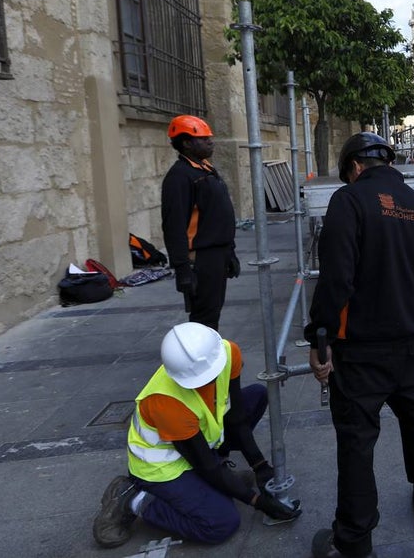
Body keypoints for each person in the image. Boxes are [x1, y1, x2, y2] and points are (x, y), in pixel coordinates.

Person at [306, 132, 414, 558]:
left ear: (353, 167)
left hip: (361, 348)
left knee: (356, 440)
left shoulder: (348, 201)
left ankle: (354, 537)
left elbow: (336, 279)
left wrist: (319, 336)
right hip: (413, 341)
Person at [92, 322, 300, 548]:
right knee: (221, 523)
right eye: (201, 379)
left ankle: (212, 486)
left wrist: (259, 466)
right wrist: (257, 501)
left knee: (257, 396)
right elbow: (206, 465)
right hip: (162, 468)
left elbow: (236, 417)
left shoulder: (229, 352)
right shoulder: (167, 402)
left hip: (198, 444)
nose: (208, 381)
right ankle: (133, 498)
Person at [161, 115, 241, 330]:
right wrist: (182, 269)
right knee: (204, 317)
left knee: (214, 311)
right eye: (204, 139)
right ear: (186, 143)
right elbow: (174, 226)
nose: (210, 142)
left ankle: (211, 354)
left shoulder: (204, 169)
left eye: (209, 138)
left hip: (218, 254)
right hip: (202, 258)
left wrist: (229, 251)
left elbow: (217, 216)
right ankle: (201, 358)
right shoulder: (179, 176)